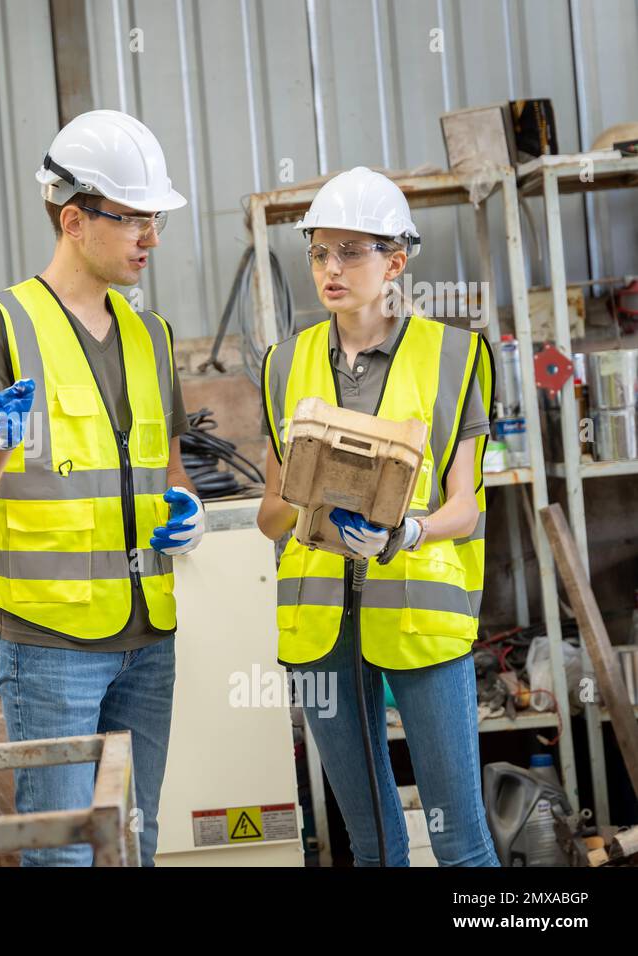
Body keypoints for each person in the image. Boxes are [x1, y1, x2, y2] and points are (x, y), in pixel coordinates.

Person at [0, 109, 204, 866]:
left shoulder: (152, 335)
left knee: (135, 842)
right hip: (51, 645)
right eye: (133, 221)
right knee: (63, 856)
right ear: (75, 219)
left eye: (155, 221)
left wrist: (189, 513)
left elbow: (169, 470)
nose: (151, 239)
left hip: (149, 635)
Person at [256, 166, 499, 866]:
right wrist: (307, 501)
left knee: (459, 839)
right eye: (320, 251)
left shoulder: (455, 355)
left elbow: (467, 505)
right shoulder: (282, 365)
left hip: (420, 616)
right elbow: (271, 516)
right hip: (319, 622)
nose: (331, 269)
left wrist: (409, 531)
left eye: (352, 252)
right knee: (372, 844)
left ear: (396, 261)